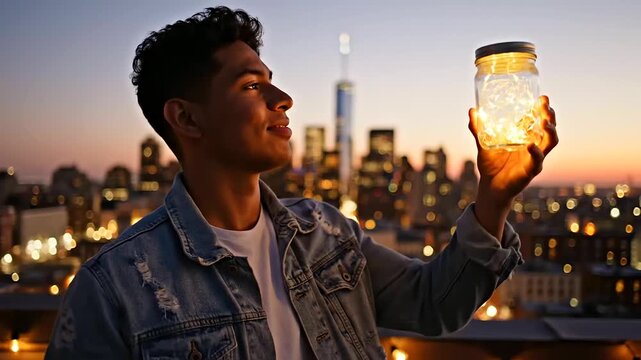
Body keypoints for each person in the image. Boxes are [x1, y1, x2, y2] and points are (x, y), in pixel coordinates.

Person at [45, 6, 558, 360]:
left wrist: (494, 198)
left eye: (271, 79)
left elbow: (432, 304)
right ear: (186, 119)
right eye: (251, 85)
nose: (283, 97)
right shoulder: (116, 287)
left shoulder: (327, 235)